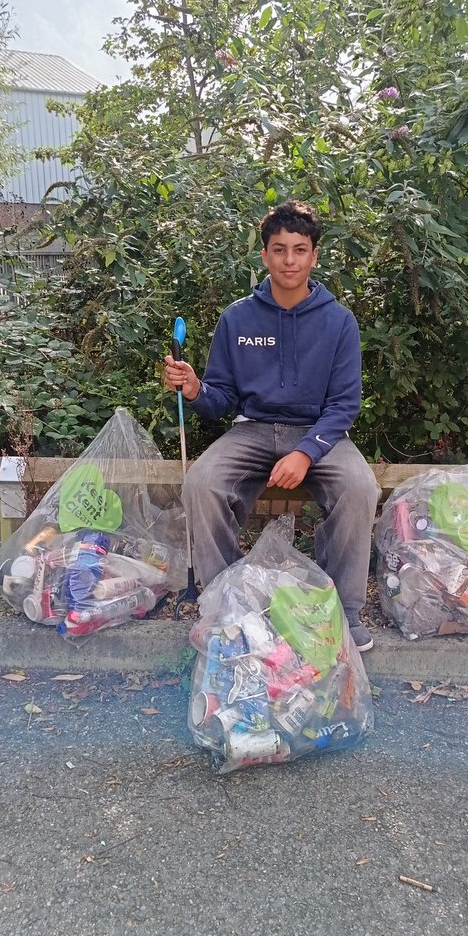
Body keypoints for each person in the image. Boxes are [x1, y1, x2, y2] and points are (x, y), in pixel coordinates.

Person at [164, 199, 380, 651]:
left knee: (361, 488)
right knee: (201, 483)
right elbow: (220, 398)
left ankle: (342, 612)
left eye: (299, 250)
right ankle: (227, 604)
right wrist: (194, 390)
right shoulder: (238, 318)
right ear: (264, 255)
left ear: (314, 256)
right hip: (253, 429)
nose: (289, 260)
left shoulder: (339, 322)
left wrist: (306, 452)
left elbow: (344, 404)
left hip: (319, 433)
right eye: (279, 249)